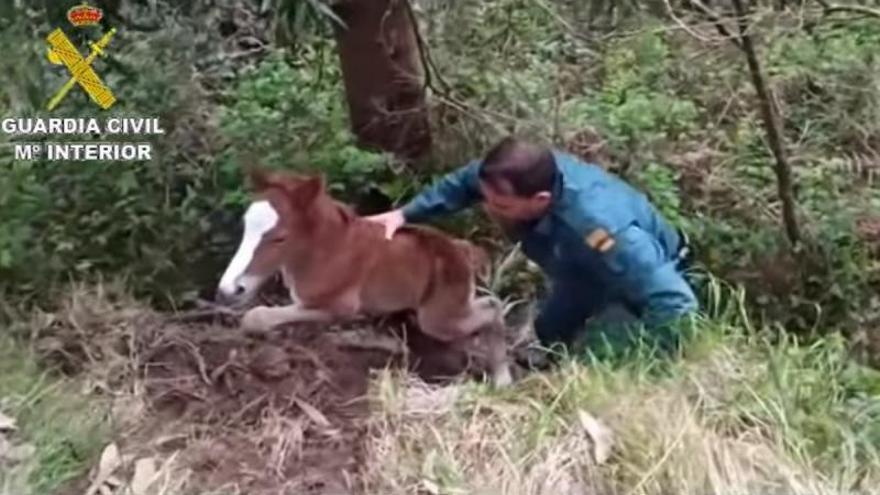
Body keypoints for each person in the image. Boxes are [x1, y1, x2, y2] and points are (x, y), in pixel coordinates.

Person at [366, 136, 699, 367]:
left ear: (540, 200)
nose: (490, 209)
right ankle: (550, 357)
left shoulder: (600, 228)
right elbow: (463, 184)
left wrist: (659, 362)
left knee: (601, 357)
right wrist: (403, 215)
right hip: (577, 272)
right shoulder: (505, 176)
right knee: (550, 331)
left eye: (501, 205)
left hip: (634, 283)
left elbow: (674, 301)